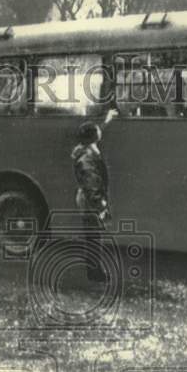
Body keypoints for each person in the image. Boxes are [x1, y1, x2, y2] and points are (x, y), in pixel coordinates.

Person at [71, 108, 118, 282]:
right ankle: (94, 272)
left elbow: (97, 131)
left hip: (87, 200)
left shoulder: (87, 149)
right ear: (93, 137)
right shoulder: (87, 158)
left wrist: (106, 120)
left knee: (92, 235)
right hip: (90, 202)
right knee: (93, 236)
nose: (100, 133)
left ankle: (94, 270)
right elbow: (91, 184)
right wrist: (101, 205)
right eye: (97, 132)